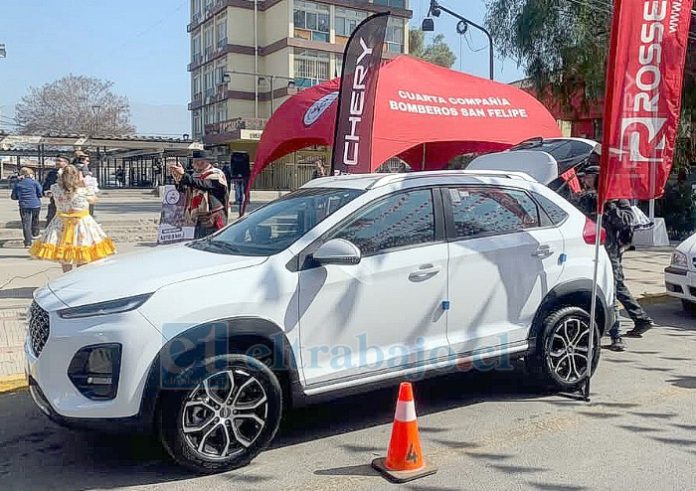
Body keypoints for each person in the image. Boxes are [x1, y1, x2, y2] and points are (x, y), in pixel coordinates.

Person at [574, 164, 654, 352]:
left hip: (610, 251)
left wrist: (608, 205)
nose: (584, 180)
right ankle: (640, 319)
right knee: (615, 287)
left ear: (597, 177)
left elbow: (627, 220)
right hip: (589, 250)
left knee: (612, 288)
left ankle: (616, 335)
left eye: (588, 176)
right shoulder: (585, 198)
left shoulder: (616, 197)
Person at [30, 165, 115, 273]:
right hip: (82, 223)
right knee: (82, 250)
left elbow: (48, 193)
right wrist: (86, 185)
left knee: (65, 254)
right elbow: (93, 200)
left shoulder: (55, 188)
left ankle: (67, 276)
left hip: (61, 223)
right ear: (77, 176)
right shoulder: (84, 189)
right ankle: (78, 277)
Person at [169, 153, 229, 239]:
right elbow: (186, 191)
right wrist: (178, 180)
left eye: (200, 161)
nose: (196, 163)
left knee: (214, 244)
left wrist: (184, 176)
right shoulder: (195, 176)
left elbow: (204, 184)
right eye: (194, 161)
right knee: (200, 244)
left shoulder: (216, 174)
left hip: (214, 216)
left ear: (206, 162)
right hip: (199, 217)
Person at [10, 167, 43, 248]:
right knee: (35, 219)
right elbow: (40, 193)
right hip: (36, 204)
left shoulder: (18, 183)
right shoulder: (34, 182)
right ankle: (35, 234)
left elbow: (13, 196)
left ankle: (28, 242)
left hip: (24, 205)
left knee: (26, 223)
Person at [42, 155, 70, 225]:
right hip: (55, 201)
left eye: (59, 161)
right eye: (56, 161)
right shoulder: (52, 173)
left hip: (69, 202)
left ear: (66, 163)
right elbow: (46, 185)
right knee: (51, 221)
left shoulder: (71, 172)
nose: (57, 162)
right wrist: (46, 192)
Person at [73, 150, 99, 216]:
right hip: (82, 189)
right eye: (86, 160)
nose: (87, 162)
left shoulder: (74, 166)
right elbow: (86, 179)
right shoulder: (81, 167)